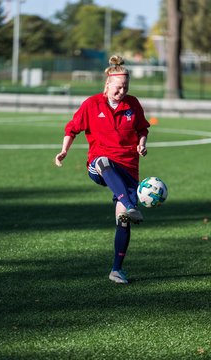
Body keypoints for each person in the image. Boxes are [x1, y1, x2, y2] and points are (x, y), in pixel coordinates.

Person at [55, 55, 150, 284]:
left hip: (128, 169)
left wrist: (142, 143)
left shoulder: (133, 104)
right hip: (99, 166)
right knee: (102, 161)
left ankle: (116, 270)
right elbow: (72, 128)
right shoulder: (92, 104)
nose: (122, 92)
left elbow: (143, 129)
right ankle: (128, 203)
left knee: (124, 221)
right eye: (118, 88)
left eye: (125, 88)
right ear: (107, 85)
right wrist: (64, 151)